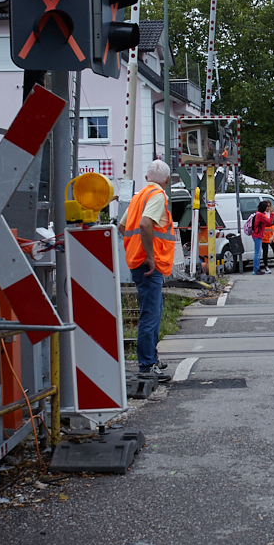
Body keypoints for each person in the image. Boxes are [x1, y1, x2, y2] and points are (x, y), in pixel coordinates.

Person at [122, 160, 175, 382]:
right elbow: (145, 224)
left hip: (137, 260)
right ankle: (147, 364)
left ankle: (152, 358)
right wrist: (151, 256)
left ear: (146, 178)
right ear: (167, 180)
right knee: (150, 315)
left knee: (153, 310)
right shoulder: (158, 196)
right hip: (149, 264)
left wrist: (136, 249)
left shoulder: (138, 197)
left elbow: (123, 226)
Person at [251, 201, 273, 275]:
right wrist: (271, 214)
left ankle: (256, 269)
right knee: (257, 253)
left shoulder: (258, 213)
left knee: (257, 252)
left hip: (256, 235)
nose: (267, 208)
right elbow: (269, 222)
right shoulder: (261, 215)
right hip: (258, 235)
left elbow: (265, 224)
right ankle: (256, 269)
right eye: (266, 207)